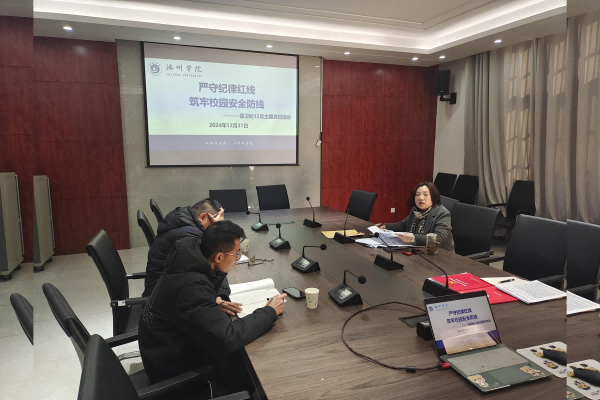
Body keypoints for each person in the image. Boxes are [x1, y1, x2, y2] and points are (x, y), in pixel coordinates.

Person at [138, 220, 286, 395]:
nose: (237, 258)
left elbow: (189, 298)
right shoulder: (192, 289)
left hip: (168, 348)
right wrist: (269, 312)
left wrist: (212, 301)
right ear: (219, 257)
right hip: (174, 369)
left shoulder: (188, 256)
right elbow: (228, 337)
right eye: (236, 254)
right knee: (256, 364)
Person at [142, 198, 226, 297]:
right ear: (203, 217)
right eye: (215, 224)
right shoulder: (189, 236)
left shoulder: (182, 219)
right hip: (164, 300)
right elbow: (214, 271)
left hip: (167, 289)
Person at [376, 182, 454, 251]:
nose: (421, 198)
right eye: (417, 195)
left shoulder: (442, 214)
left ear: (433, 197)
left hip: (439, 254)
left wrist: (414, 238)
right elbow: (403, 225)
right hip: (417, 250)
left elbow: (438, 239)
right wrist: (385, 226)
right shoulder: (415, 210)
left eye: (425, 194)